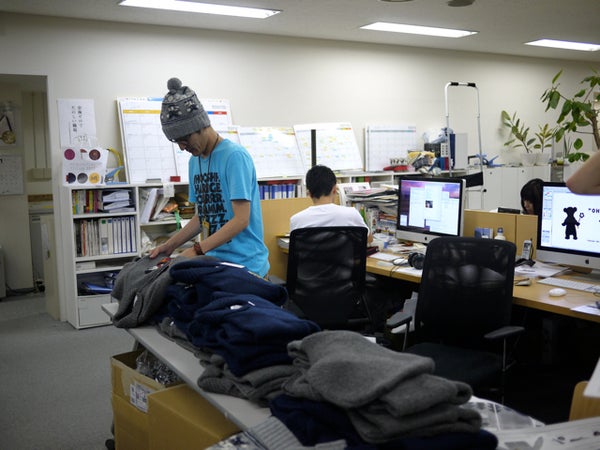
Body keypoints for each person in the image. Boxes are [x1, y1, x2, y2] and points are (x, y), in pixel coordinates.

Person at [149, 77, 269, 278]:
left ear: (201, 126)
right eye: (177, 142)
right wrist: (170, 246)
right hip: (214, 261)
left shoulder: (234, 157)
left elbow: (241, 219)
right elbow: (202, 216)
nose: (182, 148)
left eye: (185, 140)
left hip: (246, 266)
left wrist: (197, 250)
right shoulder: (194, 162)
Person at [290, 164, 373, 243]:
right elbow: (368, 239)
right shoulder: (351, 214)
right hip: (343, 254)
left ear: (309, 193)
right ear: (334, 190)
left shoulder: (296, 220)